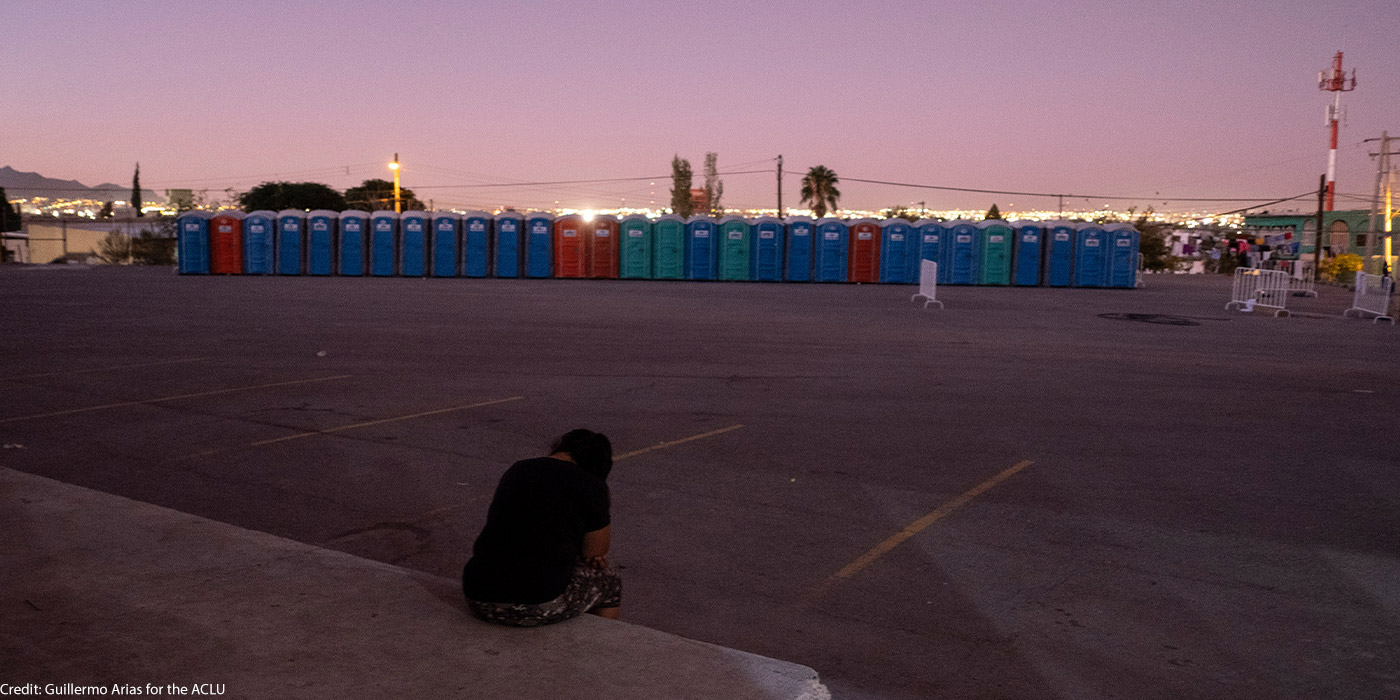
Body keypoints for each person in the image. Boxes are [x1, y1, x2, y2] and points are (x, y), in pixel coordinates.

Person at [462, 429, 621, 626]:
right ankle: (601, 647)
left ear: (560, 444)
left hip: (477, 594)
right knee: (610, 580)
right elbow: (595, 553)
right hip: (535, 602)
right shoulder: (593, 486)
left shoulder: (519, 469)